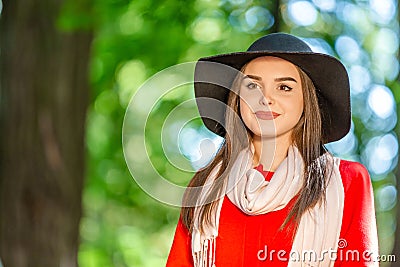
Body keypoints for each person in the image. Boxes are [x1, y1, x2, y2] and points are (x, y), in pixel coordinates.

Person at [166, 33, 379, 267]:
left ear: (308, 102)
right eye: (252, 85)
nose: (265, 98)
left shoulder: (348, 180)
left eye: (284, 87)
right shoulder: (206, 186)